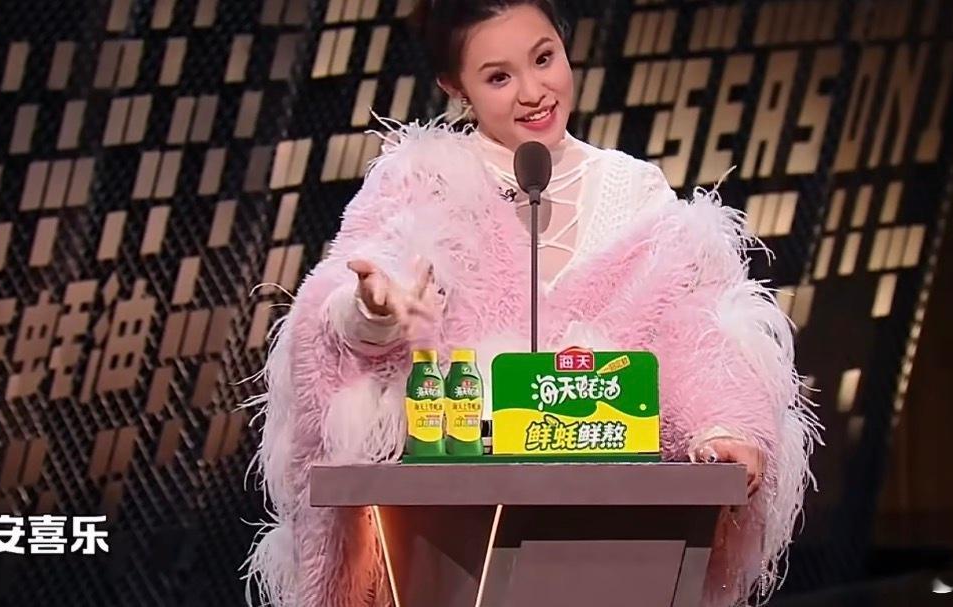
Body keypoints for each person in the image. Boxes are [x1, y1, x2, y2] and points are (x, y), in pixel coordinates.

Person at [243, 1, 820, 606]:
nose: (533, 92)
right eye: (499, 77)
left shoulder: (634, 190)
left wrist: (725, 426)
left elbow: (697, 327)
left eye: (544, 59)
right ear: (455, 87)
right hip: (451, 526)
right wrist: (374, 313)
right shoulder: (424, 182)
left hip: (610, 530)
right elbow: (347, 297)